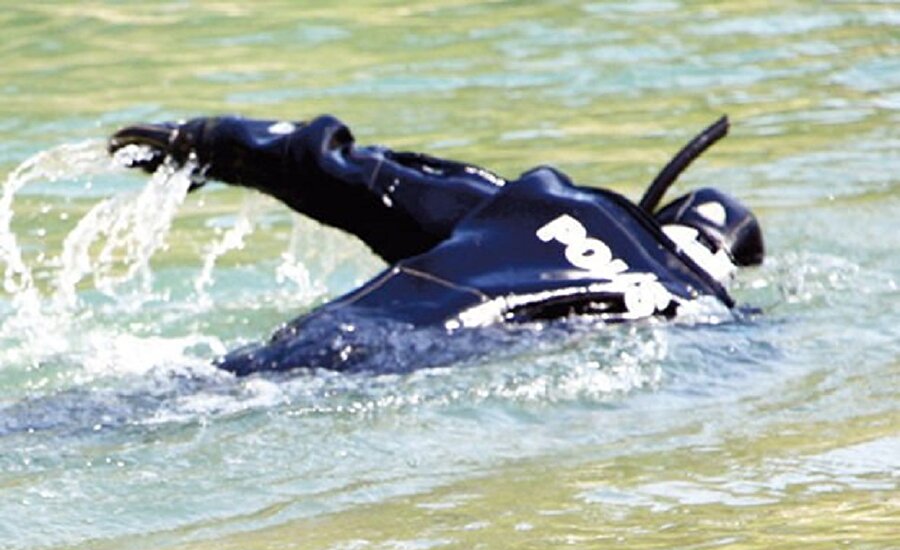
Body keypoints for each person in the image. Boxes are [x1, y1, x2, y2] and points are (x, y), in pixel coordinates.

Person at [109, 114, 763, 376]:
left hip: (342, 337)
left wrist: (211, 143)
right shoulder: (700, 315)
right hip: (413, 382)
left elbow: (363, 179)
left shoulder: (556, 204)